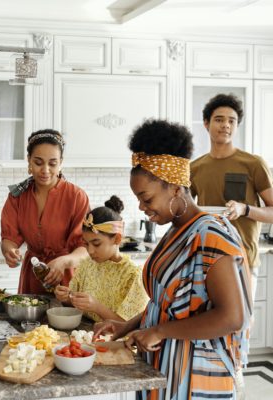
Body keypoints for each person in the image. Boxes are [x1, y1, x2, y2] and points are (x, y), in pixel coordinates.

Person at [95, 120, 252, 400]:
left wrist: (159, 331)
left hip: (196, 376)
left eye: (146, 198)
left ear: (176, 188)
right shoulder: (175, 231)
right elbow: (168, 304)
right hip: (165, 367)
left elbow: (233, 317)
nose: (142, 208)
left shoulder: (211, 235)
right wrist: (126, 326)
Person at [190, 93, 273, 299]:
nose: (226, 125)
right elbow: (186, 211)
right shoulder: (194, 168)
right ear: (206, 124)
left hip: (242, 258)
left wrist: (244, 209)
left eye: (231, 121)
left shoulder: (253, 164)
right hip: (206, 259)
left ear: (236, 126)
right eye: (219, 119)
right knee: (206, 327)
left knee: (239, 327)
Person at [1, 129, 90, 294]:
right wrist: (10, 251)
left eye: (52, 163)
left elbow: (86, 248)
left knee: (65, 319)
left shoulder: (77, 197)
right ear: (29, 161)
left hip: (68, 279)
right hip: (33, 275)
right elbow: (9, 238)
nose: (45, 170)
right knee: (30, 319)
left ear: (61, 163)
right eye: (38, 162)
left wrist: (64, 261)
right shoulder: (17, 197)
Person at [55, 196, 148, 322]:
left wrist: (97, 307)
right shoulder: (87, 264)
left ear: (117, 239)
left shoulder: (134, 276)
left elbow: (129, 326)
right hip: (84, 336)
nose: (90, 251)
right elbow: (74, 305)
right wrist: (66, 298)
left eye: (96, 244)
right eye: (86, 244)